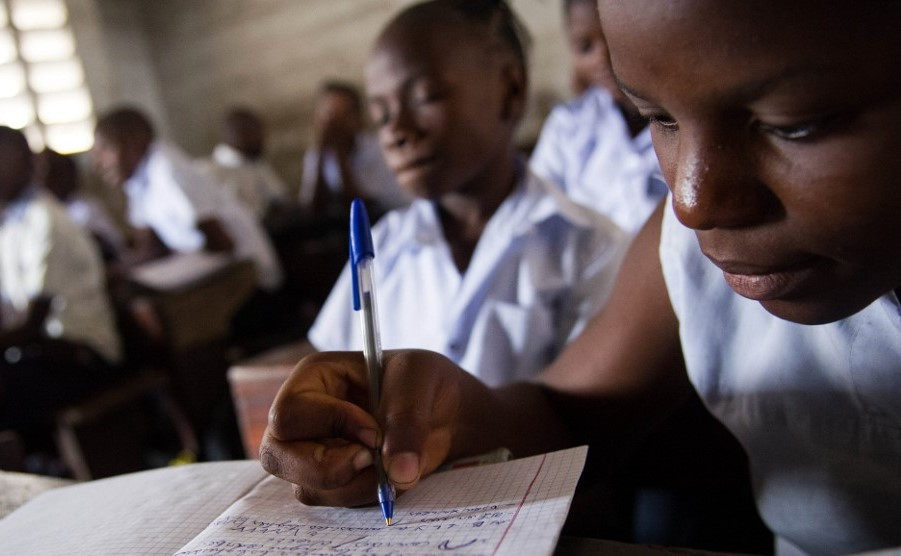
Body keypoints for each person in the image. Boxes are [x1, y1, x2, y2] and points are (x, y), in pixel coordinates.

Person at [260, 1, 901, 554]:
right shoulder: (679, 248)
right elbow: (569, 413)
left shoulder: (585, 238)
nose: (692, 201)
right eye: (659, 118)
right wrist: (453, 409)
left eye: (794, 123)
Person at [303, 0, 627, 387]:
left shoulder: (588, 247)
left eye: (425, 96)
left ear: (510, 89)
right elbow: (331, 371)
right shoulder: (383, 247)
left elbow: (582, 414)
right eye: (381, 116)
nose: (397, 131)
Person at [0, 126, 122, 433]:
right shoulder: (10, 223)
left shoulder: (45, 219)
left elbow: (32, 324)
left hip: (81, 358)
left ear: (27, 162)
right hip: (41, 354)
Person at [91, 107, 284, 293]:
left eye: (105, 150)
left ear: (136, 142)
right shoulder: (139, 180)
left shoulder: (169, 171)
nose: (98, 164)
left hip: (249, 275)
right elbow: (151, 247)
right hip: (215, 263)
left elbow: (222, 243)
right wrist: (116, 271)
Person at [528, 0, 666, 236]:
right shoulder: (567, 127)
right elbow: (538, 209)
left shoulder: (680, 120)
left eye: (615, 39)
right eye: (585, 47)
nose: (602, 58)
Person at [298, 80, 412, 220]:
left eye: (343, 115)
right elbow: (311, 208)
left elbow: (363, 208)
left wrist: (340, 154)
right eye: (328, 115)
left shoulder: (376, 150)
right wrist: (322, 152)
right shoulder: (315, 156)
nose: (334, 124)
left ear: (358, 118)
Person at [196, 107, 289, 222]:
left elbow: (279, 198)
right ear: (239, 132)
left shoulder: (255, 163)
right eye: (257, 133)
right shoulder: (207, 171)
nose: (262, 139)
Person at [34, 148, 126, 262]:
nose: (41, 182)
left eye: (48, 174)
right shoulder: (43, 213)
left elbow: (109, 251)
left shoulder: (85, 210)